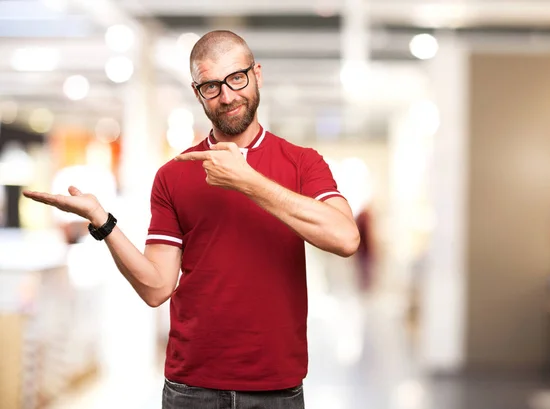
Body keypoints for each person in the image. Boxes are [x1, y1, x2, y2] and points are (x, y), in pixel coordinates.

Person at [22, 30, 360, 409]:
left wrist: (248, 181)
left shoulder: (302, 162)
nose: (228, 96)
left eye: (236, 78)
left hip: (276, 388)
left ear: (257, 74)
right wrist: (102, 220)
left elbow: (345, 239)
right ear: (198, 93)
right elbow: (155, 288)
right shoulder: (174, 175)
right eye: (211, 86)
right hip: (191, 389)